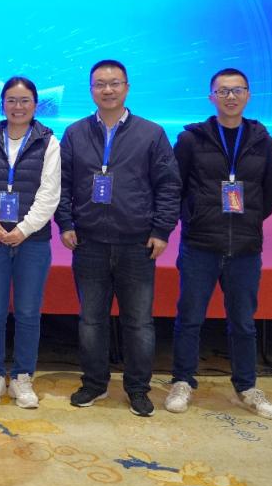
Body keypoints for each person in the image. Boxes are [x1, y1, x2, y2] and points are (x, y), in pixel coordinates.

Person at [55, 59, 180, 417]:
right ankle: (94, 384)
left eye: (114, 83)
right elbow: (62, 183)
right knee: (91, 321)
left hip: (137, 243)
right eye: (100, 84)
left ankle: (138, 389)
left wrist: (161, 230)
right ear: (91, 89)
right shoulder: (75, 133)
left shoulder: (151, 133)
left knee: (138, 322)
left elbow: (168, 186)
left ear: (127, 87)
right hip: (88, 242)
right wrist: (65, 223)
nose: (107, 90)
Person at [165, 68, 272, 420]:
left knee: (243, 322)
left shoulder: (265, 143)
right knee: (189, 318)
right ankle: (182, 381)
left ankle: (247, 386)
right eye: (223, 91)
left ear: (248, 95)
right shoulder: (191, 140)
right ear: (211, 97)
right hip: (200, 243)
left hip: (245, 246)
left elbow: (271, 194)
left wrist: (247, 221)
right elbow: (175, 186)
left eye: (237, 90)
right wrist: (195, 217)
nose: (230, 97)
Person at [0, 77, 61, 409]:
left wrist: (23, 229)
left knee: (27, 312)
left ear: (35, 105)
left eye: (24, 101)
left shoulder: (49, 142)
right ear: (2, 104)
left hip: (33, 241)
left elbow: (50, 193)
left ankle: (23, 377)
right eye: (11, 100)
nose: (18, 107)